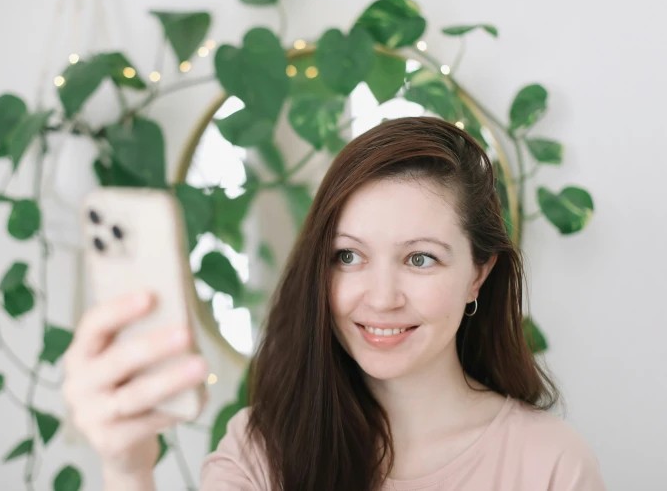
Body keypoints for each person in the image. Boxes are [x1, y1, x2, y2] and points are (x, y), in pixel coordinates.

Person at [62, 117, 606, 490]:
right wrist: (128, 469)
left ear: (478, 276)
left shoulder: (550, 465)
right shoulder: (261, 451)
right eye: (348, 257)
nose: (381, 297)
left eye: (420, 259)